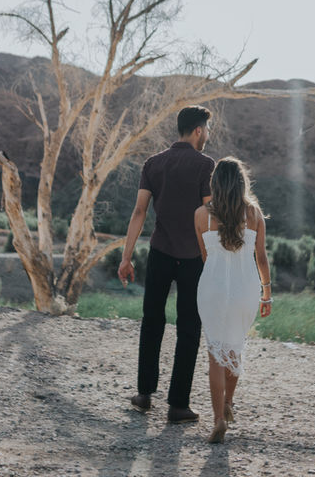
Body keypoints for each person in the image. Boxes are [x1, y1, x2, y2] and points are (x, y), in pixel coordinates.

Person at [118, 105, 215, 423]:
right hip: (192, 258)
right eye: (207, 130)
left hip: (159, 252)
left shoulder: (153, 163)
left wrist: (126, 257)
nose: (207, 135)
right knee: (189, 328)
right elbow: (208, 215)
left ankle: (144, 394)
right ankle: (178, 405)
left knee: (152, 321)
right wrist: (214, 259)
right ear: (198, 130)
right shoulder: (205, 165)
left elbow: (139, 211)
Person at [194, 156, 272, 443]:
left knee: (215, 354)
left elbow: (206, 257)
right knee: (234, 345)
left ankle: (217, 420)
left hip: (212, 288)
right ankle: (228, 402)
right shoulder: (254, 214)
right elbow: (261, 258)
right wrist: (267, 293)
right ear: (242, 183)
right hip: (246, 289)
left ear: (215, 183)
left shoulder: (201, 215)